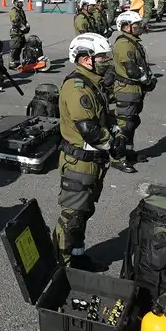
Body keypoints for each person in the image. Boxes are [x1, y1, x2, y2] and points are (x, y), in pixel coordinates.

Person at [55, 33, 122, 268]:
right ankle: (61, 264)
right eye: (102, 57)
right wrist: (114, 143)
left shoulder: (94, 83)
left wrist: (115, 130)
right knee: (72, 216)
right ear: (85, 59)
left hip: (93, 161)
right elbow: (90, 130)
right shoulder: (78, 89)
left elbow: (104, 116)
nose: (107, 61)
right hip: (79, 162)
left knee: (84, 211)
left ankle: (77, 254)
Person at [110, 11, 156, 173]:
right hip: (126, 90)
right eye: (136, 26)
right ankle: (117, 158)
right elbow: (132, 70)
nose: (139, 28)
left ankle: (128, 152)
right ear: (125, 27)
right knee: (124, 125)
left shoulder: (132, 41)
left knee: (132, 122)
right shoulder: (124, 44)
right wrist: (148, 80)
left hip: (134, 90)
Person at [8, 0, 30, 68]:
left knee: (19, 49)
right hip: (16, 33)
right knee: (15, 49)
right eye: (20, 2)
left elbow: (24, 20)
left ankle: (17, 63)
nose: (22, 4)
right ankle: (12, 63)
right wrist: (23, 28)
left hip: (21, 33)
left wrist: (27, 26)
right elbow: (16, 22)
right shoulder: (14, 11)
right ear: (15, 2)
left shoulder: (21, 10)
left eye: (22, 2)